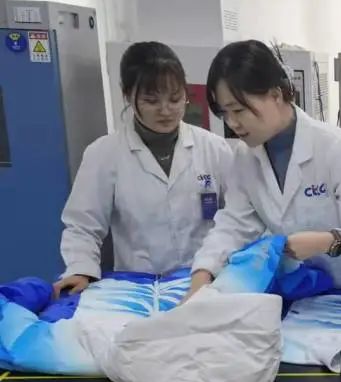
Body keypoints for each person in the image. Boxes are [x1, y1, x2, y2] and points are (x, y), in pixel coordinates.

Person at [185, 40, 341, 300]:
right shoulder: (245, 157)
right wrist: (202, 275)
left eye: (239, 110)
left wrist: (328, 241)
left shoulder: (337, 148)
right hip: (309, 294)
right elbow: (233, 225)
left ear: (276, 95)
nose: (232, 123)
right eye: (225, 114)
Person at [55, 42, 232, 297]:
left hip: (205, 282)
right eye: (151, 100)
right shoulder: (104, 154)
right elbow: (83, 226)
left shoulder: (213, 148)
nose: (166, 110)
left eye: (175, 99)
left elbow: (238, 216)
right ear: (127, 95)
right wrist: (80, 269)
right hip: (138, 289)